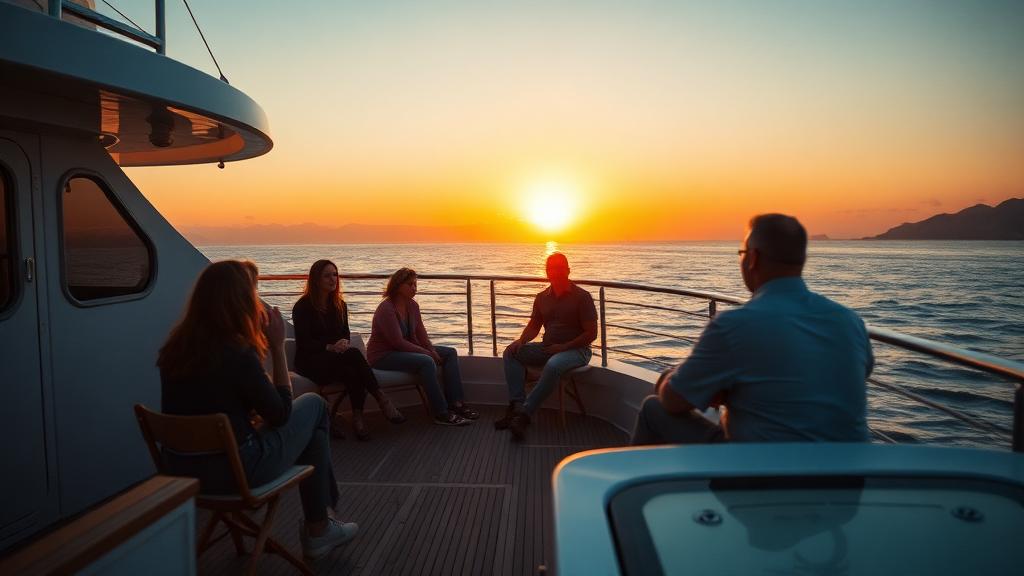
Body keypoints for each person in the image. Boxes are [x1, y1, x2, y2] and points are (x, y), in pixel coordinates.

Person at [158, 260, 357, 560]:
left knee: (310, 429)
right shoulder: (238, 353)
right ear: (239, 301)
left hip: (183, 474)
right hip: (238, 473)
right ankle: (319, 527)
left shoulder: (173, 352)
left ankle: (321, 526)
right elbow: (279, 414)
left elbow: (205, 404)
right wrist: (276, 348)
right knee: (315, 406)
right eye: (253, 294)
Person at [630, 214, 873, 445]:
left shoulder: (735, 325)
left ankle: (632, 486)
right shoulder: (849, 321)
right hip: (849, 478)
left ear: (753, 258)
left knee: (655, 406)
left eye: (742, 253)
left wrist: (671, 376)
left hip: (761, 477)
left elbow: (673, 402)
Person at [292, 259, 405, 441]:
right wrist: (329, 347)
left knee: (353, 371)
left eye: (335, 274)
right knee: (353, 355)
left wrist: (343, 342)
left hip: (337, 359)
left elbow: (345, 332)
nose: (333, 279)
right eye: (327, 275)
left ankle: (358, 419)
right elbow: (304, 342)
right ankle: (381, 398)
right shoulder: (302, 307)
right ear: (316, 279)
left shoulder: (339, 305)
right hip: (311, 362)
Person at [496, 252, 598, 440]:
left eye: (560, 267)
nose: (555, 271)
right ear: (547, 272)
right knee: (511, 353)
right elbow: (534, 325)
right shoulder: (542, 297)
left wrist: (564, 346)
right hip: (548, 347)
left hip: (577, 350)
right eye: (551, 268)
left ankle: (524, 416)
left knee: (553, 365)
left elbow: (591, 334)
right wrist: (521, 341)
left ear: (568, 270)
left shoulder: (582, 297)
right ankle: (517, 405)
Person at [365, 267, 480, 426]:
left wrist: (431, 349)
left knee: (450, 353)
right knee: (426, 361)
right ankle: (440, 412)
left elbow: (421, 333)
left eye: (415, 284)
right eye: (410, 285)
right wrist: (427, 353)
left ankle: (456, 403)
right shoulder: (386, 309)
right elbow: (397, 342)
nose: (414, 288)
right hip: (383, 356)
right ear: (398, 286)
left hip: (405, 350)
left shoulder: (412, 306)